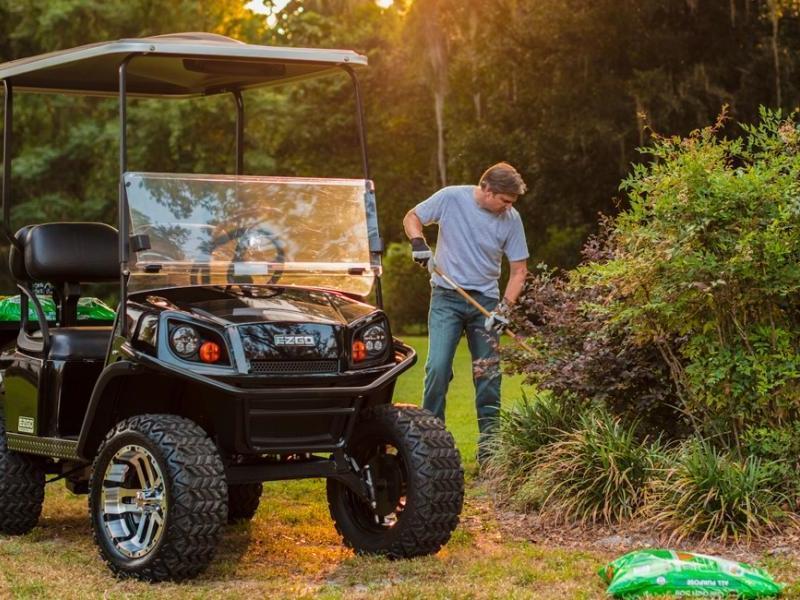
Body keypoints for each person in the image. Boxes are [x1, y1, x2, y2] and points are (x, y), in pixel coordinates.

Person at [402, 162, 529, 463]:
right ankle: (430, 452)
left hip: (485, 303)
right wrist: (419, 243)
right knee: (437, 368)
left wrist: (503, 310)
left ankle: (491, 458)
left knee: (488, 376)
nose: (508, 207)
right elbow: (412, 217)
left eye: (512, 203)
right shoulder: (451, 198)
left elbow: (519, 271)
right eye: (505, 200)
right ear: (486, 188)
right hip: (446, 296)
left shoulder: (511, 218)